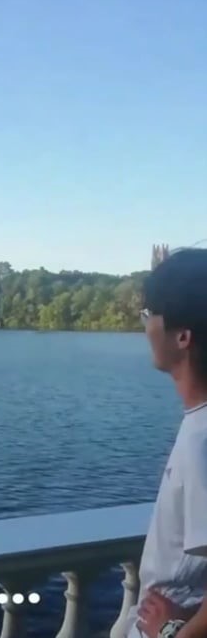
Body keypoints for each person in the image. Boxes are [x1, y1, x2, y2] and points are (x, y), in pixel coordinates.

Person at [125, 248, 207, 638]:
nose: (144, 326)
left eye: (148, 314)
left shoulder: (202, 441)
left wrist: (171, 631)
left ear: (182, 336)